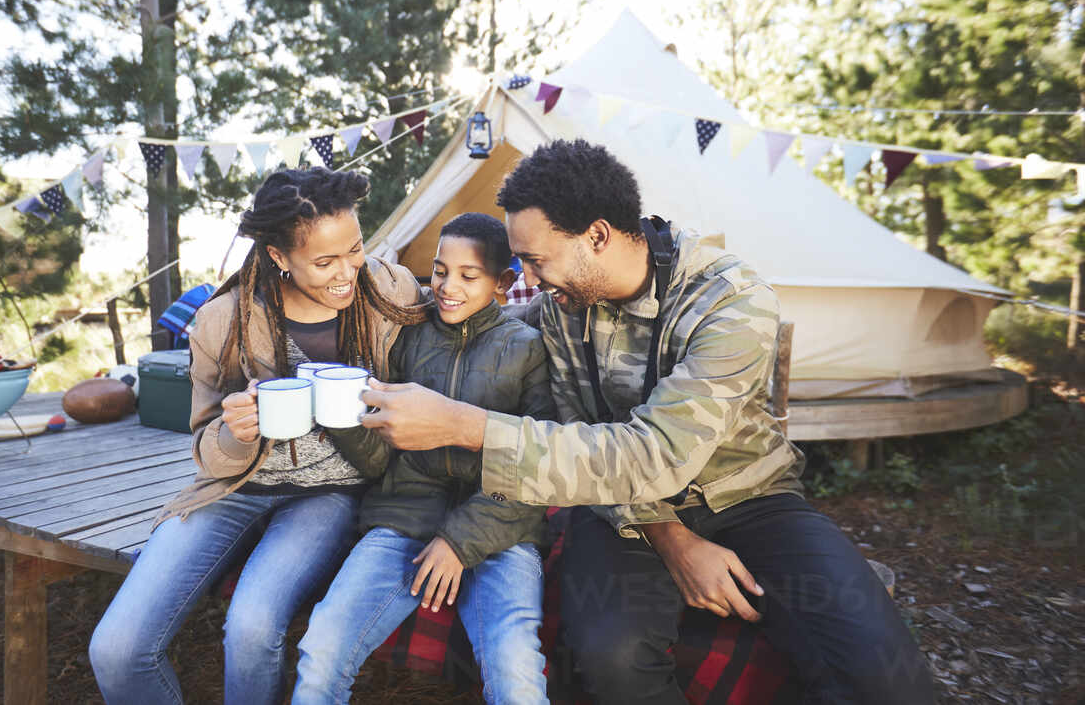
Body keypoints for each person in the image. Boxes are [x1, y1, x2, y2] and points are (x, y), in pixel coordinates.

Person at [359, 140, 936, 704]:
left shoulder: (727, 302)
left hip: (749, 498)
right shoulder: (562, 302)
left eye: (535, 261)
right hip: (617, 513)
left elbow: (655, 454)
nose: (528, 282)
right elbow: (477, 316)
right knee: (611, 658)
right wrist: (672, 538)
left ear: (598, 237)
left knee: (885, 673)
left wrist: (468, 426)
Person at [89, 167, 425, 705]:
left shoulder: (389, 289)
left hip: (331, 493)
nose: (347, 272)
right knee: (117, 649)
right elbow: (204, 446)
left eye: (355, 249)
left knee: (251, 627)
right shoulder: (223, 321)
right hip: (236, 488)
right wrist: (236, 431)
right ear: (277, 257)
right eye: (323, 262)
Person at [293, 213, 554, 705]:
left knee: (515, 670)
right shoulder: (408, 336)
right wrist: (342, 415)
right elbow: (378, 458)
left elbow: (539, 468)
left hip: (504, 528)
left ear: (503, 283)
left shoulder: (528, 349)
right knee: (323, 644)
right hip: (405, 517)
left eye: (467, 276)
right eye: (438, 271)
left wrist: (459, 542)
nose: (447, 287)